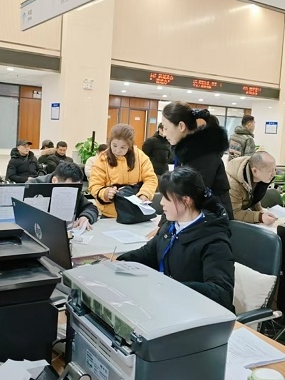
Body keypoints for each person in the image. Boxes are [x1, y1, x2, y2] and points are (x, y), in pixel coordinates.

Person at [118, 167, 234, 310]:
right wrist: (119, 262)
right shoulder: (170, 226)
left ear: (185, 200)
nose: (161, 203)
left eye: (166, 198)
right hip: (168, 305)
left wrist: (172, 288)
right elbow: (148, 253)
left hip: (196, 312)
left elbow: (221, 293)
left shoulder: (214, 240)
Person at [161, 101, 233, 218]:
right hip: (192, 220)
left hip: (212, 222)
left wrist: (164, 225)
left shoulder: (205, 156)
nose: (164, 134)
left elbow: (189, 198)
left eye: (166, 128)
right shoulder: (185, 154)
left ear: (181, 126)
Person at [89, 124, 158, 218]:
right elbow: (94, 185)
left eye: (123, 147)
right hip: (111, 214)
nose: (117, 150)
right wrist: (105, 193)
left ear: (130, 146)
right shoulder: (102, 159)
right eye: (114, 145)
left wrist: (144, 194)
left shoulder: (140, 157)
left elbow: (151, 179)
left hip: (136, 212)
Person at [27, 162, 99, 230]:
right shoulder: (33, 186)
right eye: (68, 188)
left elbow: (91, 207)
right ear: (54, 181)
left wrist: (85, 216)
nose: (71, 192)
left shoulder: (74, 188)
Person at [226, 151, 277, 224]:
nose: (274, 174)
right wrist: (260, 217)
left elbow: (253, 197)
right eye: (269, 171)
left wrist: (260, 211)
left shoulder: (258, 177)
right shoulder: (233, 184)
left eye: (274, 169)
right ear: (255, 171)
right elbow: (234, 213)